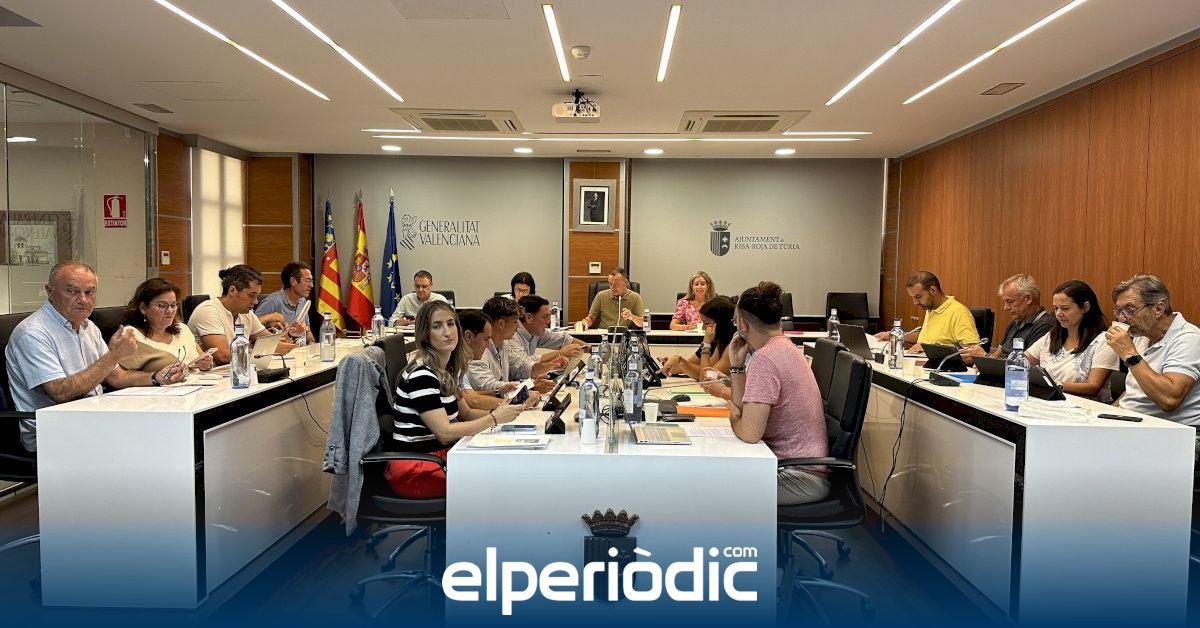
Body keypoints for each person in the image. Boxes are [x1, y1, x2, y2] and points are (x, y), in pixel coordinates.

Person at [5, 261, 187, 451]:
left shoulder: (88, 327)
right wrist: (112, 356)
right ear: (50, 292)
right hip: (53, 431)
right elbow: (60, 392)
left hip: (92, 417)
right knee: (153, 437)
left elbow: (116, 377)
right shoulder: (33, 333)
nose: (83, 300)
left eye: (89, 292)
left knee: (164, 425)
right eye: (72, 291)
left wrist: (156, 377)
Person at [384, 301, 529, 498]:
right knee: (502, 480)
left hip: (441, 457)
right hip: (418, 468)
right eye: (437, 326)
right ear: (425, 335)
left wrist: (508, 414)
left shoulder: (446, 371)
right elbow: (444, 433)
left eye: (451, 324)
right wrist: (494, 418)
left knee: (508, 468)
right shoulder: (421, 375)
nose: (447, 332)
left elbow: (467, 413)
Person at [726, 281, 829, 506]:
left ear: (742, 324)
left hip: (796, 476)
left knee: (711, 487)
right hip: (797, 468)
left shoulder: (765, 359)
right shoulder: (785, 347)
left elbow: (749, 433)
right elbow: (745, 409)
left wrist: (733, 418)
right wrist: (736, 367)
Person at [1106, 275, 1200, 428]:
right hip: (1132, 424)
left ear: (1158, 309)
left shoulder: (1189, 339)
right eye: (1119, 311)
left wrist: (1130, 354)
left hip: (1171, 432)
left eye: (1129, 310)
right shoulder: (1143, 335)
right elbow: (1135, 393)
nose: (1122, 319)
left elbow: (1169, 400)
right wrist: (1105, 416)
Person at [1024, 280, 1120, 402]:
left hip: (1087, 408)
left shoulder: (1103, 341)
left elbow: (1093, 387)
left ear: (1085, 307)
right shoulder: (1051, 336)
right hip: (1049, 403)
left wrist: (1054, 385)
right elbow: (1021, 362)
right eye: (1056, 308)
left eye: (1065, 308)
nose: (1058, 314)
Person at [188, 264, 302, 365]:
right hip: (209, 378)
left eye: (256, 296)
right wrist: (267, 351)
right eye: (251, 295)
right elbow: (222, 356)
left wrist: (291, 334)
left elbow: (272, 342)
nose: (256, 301)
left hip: (237, 373)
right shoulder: (208, 311)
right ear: (232, 291)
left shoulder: (246, 313)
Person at [469, 297, 564, 395]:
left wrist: (552, 365)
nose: (518, 326)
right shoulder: (477, 350)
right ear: (501, 324)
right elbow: (487, 386)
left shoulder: (503, 344)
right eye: (515, 321)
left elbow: (522, 367)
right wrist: (531, 386)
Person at [119, 278, 215, 374]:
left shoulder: (182, 329)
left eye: (173, 305)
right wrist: (155, 377)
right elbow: (118, 377)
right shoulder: (131, 337)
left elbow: (201, 359)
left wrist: (206, 364)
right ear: (143, 308)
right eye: (162, 305)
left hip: (200, 381)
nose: (170, 311)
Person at [875, 271, 979, 352]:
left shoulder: (959, 313)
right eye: (913, 298)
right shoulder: (931, 308)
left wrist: (929, 350)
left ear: (933, 290)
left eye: (918, 297)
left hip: (941, 369)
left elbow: (972, 353)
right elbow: (927, 337)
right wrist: (894, 335)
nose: (915, 302)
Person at [973, 274, 1054, 358]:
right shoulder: (1015, 323)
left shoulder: (1046, 325)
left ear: (1028, 299)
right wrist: (977, 357)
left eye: (1010, 301)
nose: (1005, 308)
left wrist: (984, 356)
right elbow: (996, 356)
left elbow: (1025, 363)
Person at [661, 296, 736, 381]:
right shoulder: (722, 342)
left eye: (706, 323)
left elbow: (705, 379)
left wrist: (706, 344)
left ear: (721, 323)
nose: (703, 328)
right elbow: (702, 372)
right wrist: (679, 360)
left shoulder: (733, 345)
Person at [457, 309, 508, 411]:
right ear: (469, 336)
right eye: (486, 339)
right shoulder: (451, 365)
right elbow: (473, 401)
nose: (488, 345)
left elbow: (468, 394)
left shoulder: (459, 364)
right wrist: (516, 403)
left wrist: (498, 392)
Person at [511, 295, 585, 363]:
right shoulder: (511, 334)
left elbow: (564, 339)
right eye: (546, 316)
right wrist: (559, 353)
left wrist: (590, 348)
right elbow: (524, 363)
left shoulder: (534, 331)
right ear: (529, 318)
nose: (549, 321)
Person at [255, 261, 315, 344]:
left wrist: (312, 343)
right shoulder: (272, 302)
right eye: (308, 281)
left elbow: (307, 331)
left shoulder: (303, 301)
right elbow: (252, 328)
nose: (311, 285)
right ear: (293, 281)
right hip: (282, 349)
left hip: (302, 350)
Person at [579, 268, 644, 329]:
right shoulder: (601, 296)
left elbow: (642, 323)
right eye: (610, 284)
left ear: (625, 282)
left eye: (617, 284)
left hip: (624, 335)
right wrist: (585, 322)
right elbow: (591, 318)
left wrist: (632, 317)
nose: (613, 288)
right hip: (604, 334)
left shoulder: (635, 297)